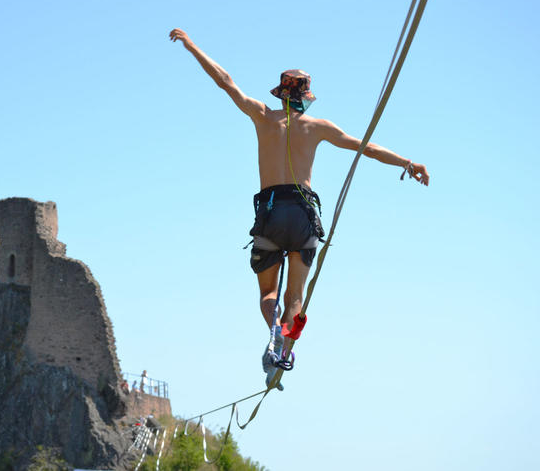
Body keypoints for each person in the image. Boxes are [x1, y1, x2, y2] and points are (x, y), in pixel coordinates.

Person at [169, 28, 429, 385]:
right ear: (305, 97)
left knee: (268, 293)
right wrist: (408, 163)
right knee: (296, 295)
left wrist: (192, 45)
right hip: (304, 216)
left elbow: (226, 82)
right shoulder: (318, 127)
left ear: (280, 94)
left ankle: (274, 331)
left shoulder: (262, 116)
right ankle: (286, 346)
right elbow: (365, 147)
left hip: (271, 213)